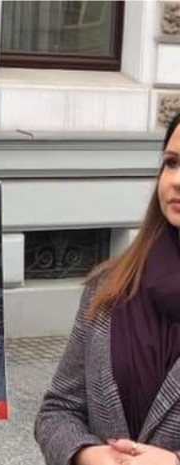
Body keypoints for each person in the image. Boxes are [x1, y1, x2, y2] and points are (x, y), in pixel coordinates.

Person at [35, 111, 180, 465]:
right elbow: (58, 410)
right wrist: (86, 454)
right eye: (172, 163)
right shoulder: (110, 286)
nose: (176, 180)